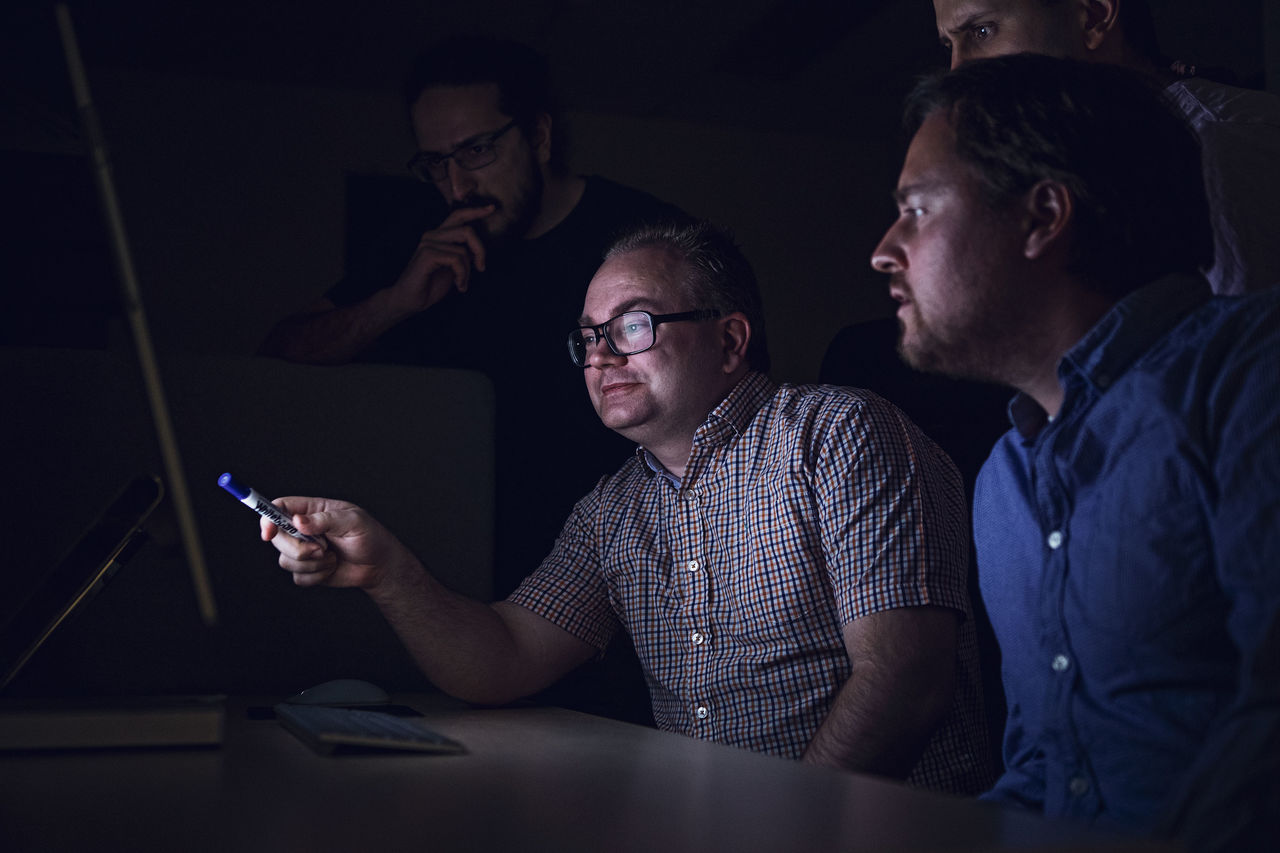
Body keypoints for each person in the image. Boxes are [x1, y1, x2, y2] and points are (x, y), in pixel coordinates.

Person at [258, 220, 994, 794]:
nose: (602, 355)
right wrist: (386, 569)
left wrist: (786, 823)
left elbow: (906, 679)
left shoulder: (839, 434)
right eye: (588, 337)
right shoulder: (611, 510)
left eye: (633, 326)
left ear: (731, 339)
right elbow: (501, 659)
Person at [870, 53, 1280, 849]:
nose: (884, 250)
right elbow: (1045, 769)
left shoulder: (1251, 372)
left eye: (916, 209)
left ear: (1043, 215)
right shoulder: (1005, 481)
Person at [260, 36, 686, 723]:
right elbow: (276, 358)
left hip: (638, 588)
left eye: (477, 151)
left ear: (540, 134)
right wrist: (395, 302)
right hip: (471, 598)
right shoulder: (421, 245)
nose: (457, 187)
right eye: (435, 163)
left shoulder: (644, 239)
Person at [930, 0, 1280, 295]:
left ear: (1094, 16)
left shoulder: (1217, 153)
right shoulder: (1092, 171)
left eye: (981, 31)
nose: (956, 73)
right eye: (949, 46)